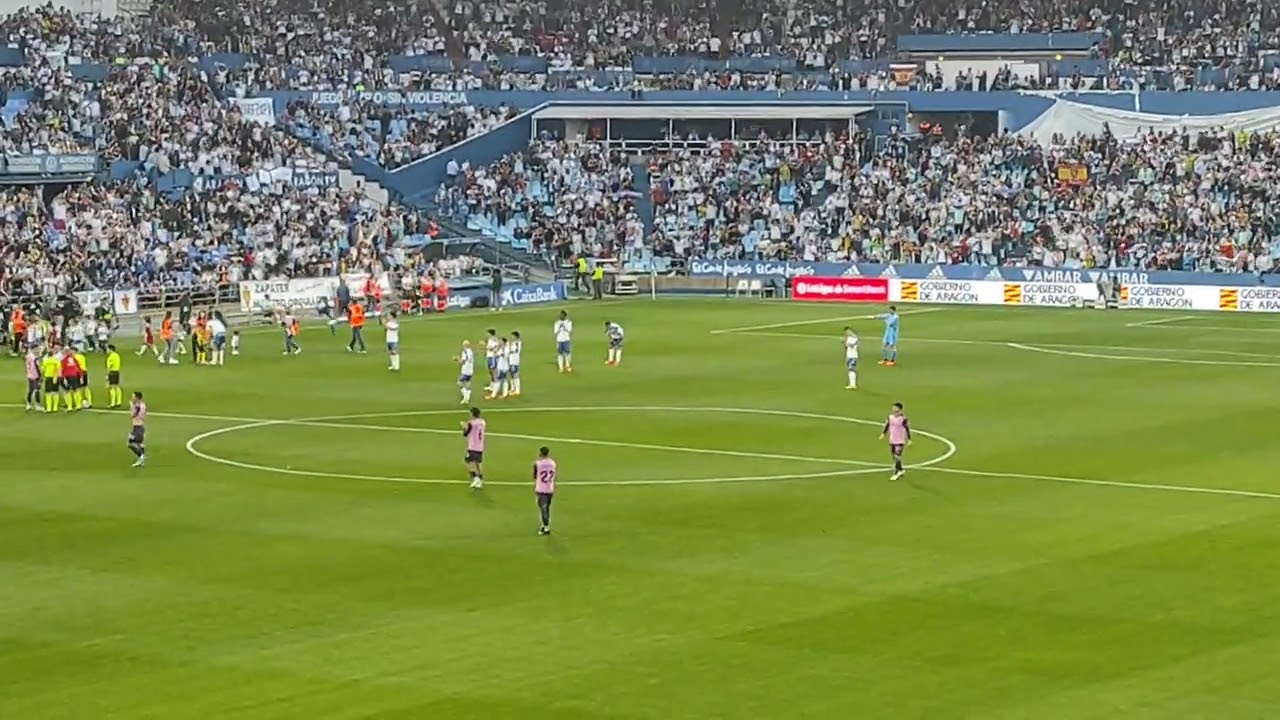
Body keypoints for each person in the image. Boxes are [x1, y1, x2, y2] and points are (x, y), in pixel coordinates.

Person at [879, 402, 912, 481]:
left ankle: (896, 473)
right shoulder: (890, 417)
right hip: (892, 439)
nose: (893, 409)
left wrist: (909, 439)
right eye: (893, 407)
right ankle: (901, 469)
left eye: (895, 407)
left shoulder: (903, 419)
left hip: (900, 440)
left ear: (899, 409)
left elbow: (907, 428)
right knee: (894, 456)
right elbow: (887, 425)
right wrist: (883, 434)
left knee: (897, 456)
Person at [533, 445, 557, 536]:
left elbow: (535, 475)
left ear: (541, 453)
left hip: (541, 489)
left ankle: (546, 528)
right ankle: (544, 525)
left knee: (543, 509)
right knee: (547, 508)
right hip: (550, 489)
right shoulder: (553, 463)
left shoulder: (538, 464)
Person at [461, 406, 486, 489]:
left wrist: (464, 426)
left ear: (472, 414)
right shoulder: (483, 422)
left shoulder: (471, 423)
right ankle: (480, 480)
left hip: (472, 446)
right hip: (480, 446)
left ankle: (476, 478)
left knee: (468, 461)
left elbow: (465, 433)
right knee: (478, 463)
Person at [59, 344, 82, 412]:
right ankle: (77, 405)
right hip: (73, 376)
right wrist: (80, 376)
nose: (67, 352)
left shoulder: (64, 360)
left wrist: (64, 378)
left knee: (68, 391)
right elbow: (78, 367)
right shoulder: (72, 359)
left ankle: (71, 406)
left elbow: (62, 370)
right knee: (75, 390)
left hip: (69, 376)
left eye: (67, 351)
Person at [128, 391, 147, 468]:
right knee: (140, 444)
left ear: (137, 398)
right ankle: (141, 460)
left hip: (138, 429)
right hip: (139, 428)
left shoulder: (138, 406)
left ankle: (141, 457)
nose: (132, 398)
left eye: (133, 396)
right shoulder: (142, 405)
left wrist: (132, 406)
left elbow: (133, 415)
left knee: (131, 444)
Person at [40, 347, 60, 414]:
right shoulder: (56, 361)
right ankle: (55, 408)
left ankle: (49, 408)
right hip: (55, 377)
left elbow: (42, 370)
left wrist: (42, 377)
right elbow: (58, 370)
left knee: (48, 393)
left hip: (48, 377)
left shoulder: (45, 361)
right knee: (55, 392)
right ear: (53, 355)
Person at [455, 340, 475, 405]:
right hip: (470, 370)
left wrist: (457, 359)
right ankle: (467, 395)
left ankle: (466, 397)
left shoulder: (465, 352)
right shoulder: (470, 351)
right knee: (467, 383)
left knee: (460, 382)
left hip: (465, 370)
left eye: (463, 345)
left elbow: (463, 362)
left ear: (465, 345)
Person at [105, 344, 123, 408]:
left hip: (112, 373)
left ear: (110, 349)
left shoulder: (110, 357)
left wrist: (107, 376)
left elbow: (109, 367)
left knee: (111, 388)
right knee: (117, 386)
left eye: (107, 349)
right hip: (117, 372)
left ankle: (113, 403)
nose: (106, 351)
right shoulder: (117, 355)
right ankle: (119, 401)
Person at [24, 344, 40, 412]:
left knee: (31, 390)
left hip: (31, 375)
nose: (38, 349)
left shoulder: (30, 356)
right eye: (37, 348)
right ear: (34, 349)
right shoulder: (32, 357)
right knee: (36, 390)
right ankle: (37, 405)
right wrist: (40, 375)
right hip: (34, 376)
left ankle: (29, 404)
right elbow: (35, 367)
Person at [507, 330, 523, 397]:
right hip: (511, 360)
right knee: (511, 374)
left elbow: (516, 350)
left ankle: (517, 390)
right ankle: (513, 388)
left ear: (516, 336)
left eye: (512, 336)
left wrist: (509, 348)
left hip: (515, 361)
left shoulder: (517, 343)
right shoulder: (512, 342)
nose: (511, 337)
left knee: (515, 374)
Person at [844, 326, 860, 391]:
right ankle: (851, 384)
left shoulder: (855, 338)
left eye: (847, 331)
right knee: (850, 370)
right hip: (849, 355)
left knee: (852, 369)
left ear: (850, 330)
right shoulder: (849, 337)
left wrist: (848, 344)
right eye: (846, 332)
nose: (847, 333)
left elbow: (853, 346)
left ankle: (853, 385)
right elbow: (847, 346)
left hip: (853, 356)